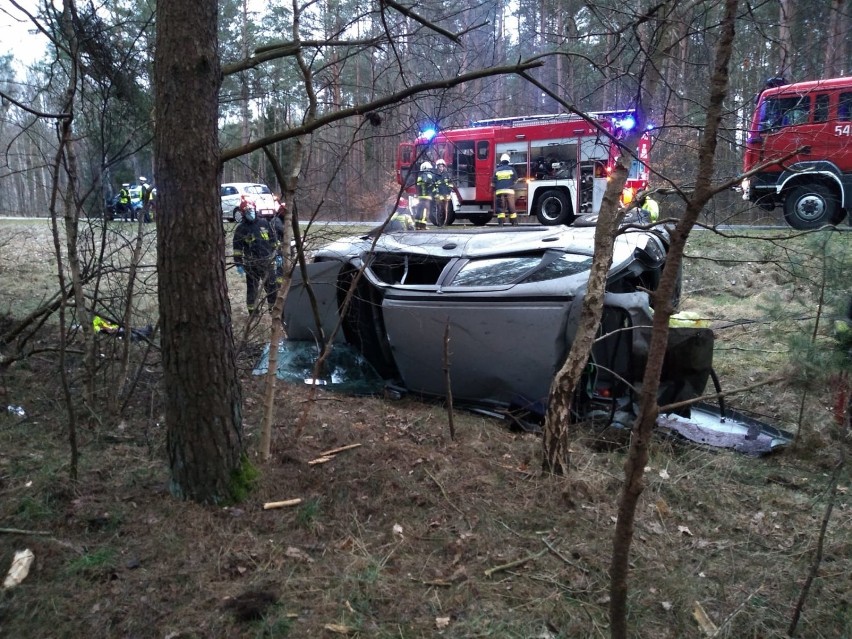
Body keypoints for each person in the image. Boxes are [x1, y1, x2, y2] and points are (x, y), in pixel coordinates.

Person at [232, 205, 278, 314]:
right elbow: (237, 249)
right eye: (248, 211)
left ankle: (274, 309)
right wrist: (238, 264)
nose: (250, 212)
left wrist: (277, 254)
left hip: (267, 261)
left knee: (272, 286)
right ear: (243, 213)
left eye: (252, 210)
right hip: (251, 264)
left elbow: (273, 240)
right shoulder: (241, 229)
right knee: (252, 289)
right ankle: (252, 311)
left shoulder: (264, 223)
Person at [492, 153, 518, 226]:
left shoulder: (496, 170)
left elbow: (493, 183)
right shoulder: (512, 169)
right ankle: (514, 223)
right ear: (508, 161)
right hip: (510, 191)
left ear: (501, 161)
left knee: (500, 208)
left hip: (499, 192)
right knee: (511, 207)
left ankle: (501, 223)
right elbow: (516, 180)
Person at [414, 161, 436, 230]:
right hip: (426, 196)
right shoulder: (428, 175)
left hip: (420, 196)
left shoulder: (419, 176)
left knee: (419, 210)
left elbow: (418, 186)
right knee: (425, 211)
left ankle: (417, 225)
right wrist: (435, 191)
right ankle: (423, 226)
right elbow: (430, 185)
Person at [432, 159, 453, 226]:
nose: (441, 168)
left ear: (444, 167)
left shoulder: (447, 175)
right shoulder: (435, 176)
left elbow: (450, 184)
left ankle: (445, 222)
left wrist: (449, 190)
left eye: (442, 166)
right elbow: (433, 185)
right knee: (439, 208)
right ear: (437, 167)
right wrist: (436, 192)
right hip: (439, 194)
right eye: (439, 167)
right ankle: (439, 222)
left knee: (446, 209)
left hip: (446, 193)